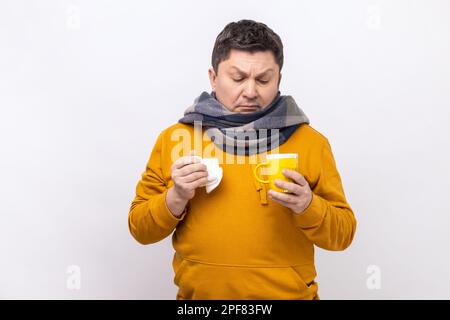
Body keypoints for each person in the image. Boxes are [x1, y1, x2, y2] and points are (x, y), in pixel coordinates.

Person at [128, 19, 357, 300]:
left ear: (279, 80)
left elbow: (343, 235)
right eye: (238, 78)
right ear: (213, 77)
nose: (250, 92)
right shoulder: (175, 139)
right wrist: (176, 197)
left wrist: (308, 205)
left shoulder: (310, 142)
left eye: (263, 80)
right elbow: (141, 230)